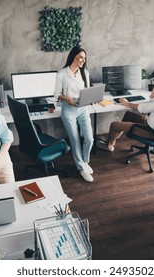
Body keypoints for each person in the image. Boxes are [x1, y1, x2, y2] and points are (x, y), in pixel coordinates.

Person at [96, 69, 154, 152]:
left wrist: (127, 103)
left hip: (150, 131)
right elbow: (152, 100)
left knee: (114, 125)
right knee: (128, 115)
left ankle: (109, 146)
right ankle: (113, 137)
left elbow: (147, 108)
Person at [54, 46, 94, 183]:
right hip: (68, 109)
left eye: (84, 58)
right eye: (80, 57)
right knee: (75, 141)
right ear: (73, 57)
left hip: (83, 108)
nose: (83, 60)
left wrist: (91, 99)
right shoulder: (62, 74)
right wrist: (67, 99)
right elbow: (56, 94)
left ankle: (85, 161)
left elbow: (87, 90)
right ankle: (81, 168)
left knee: (90, 139)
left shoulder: (85, 73)